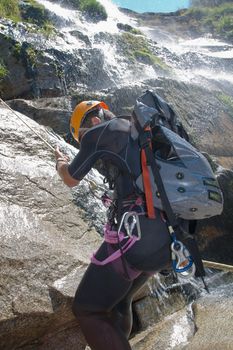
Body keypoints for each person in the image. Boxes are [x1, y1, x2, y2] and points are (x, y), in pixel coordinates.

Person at [55, 100, 172, 350]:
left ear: (93, 122)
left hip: (138, 239)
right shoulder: (136, 133)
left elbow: (70, 179)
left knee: (88, 309)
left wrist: (60, 163)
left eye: (82, 137)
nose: (84, 143)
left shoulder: (100, 133)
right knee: (120, 300)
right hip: (166, 238)